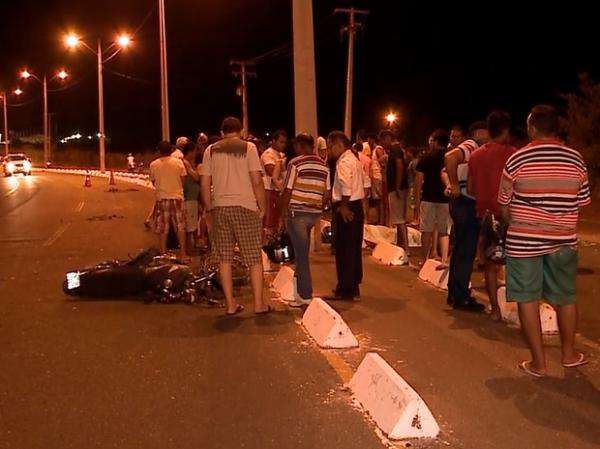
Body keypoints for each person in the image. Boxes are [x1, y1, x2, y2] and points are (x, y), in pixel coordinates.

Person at [498, 105, 591, 377]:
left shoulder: (518, 158)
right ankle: (569, 354)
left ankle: (539, 363)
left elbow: (503, 202)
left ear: (532, 128)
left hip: (523, 241)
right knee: (565, 297)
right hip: (562, 239)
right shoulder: (575, 158)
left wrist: (512, 220)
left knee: (527, 299)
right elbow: (582, 200)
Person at [200, 117, 270, 316]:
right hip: (246, 207)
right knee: (253, 258)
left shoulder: (210, 150)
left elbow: (205, 184)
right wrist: (262, 207)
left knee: (224, 259)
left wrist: (208, 209)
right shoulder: (249, 148)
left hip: (220, 208)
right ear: (241, 130)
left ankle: (231, 304)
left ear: (222, 132)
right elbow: (256, 181)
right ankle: (258, 304)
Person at [468, 111, 516, 320]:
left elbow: (470, 188)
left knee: (490, 264)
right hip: (511, 215)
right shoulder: (514, 154)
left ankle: (495, 309)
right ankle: (520, 309)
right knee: (516, 263)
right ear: (505, 130)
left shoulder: (476, 156)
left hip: (485, 215)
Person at [279, 133, 331, 306]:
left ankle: (305, 294)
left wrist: (283, 212)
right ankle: (298, 292)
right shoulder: (324, 166)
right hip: (314, 214)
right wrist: (316, 204)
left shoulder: (295, 163)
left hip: (297, 213)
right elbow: (327, 193)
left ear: (300, 146)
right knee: (301, 250)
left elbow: (287, 189)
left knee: (301, 256)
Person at [443, 121, 489, 311]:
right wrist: (454, 184)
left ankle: (455, 292)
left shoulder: (472, 148)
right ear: (478, 132)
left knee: (461, 247)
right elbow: (450, 157)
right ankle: (461, 295)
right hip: (465, 203)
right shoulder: (471, 146)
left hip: (460, 202)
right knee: (466, 250)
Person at [324, 131, 365, 301]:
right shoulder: (354, 160)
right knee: (353, 249)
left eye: (330, 146)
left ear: (339, 145)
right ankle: (353, 287)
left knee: (344, 250)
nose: (329, 151)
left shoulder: (343, 162)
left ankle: (345, 290)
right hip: (356, 205)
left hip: (347, 206)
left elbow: (346, 185)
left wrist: (343, 206)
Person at [415, 130, 450, 266]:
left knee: (426, 230)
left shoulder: (425, 157)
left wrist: (417, 200)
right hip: (445, 199)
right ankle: (444, 260)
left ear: (435, 142)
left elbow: (418, 180)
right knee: (444, 230)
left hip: (428, 198)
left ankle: (425, 259)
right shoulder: (449, 157)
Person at [149, 141, 187, 260]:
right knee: (180, 227)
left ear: (159, 151)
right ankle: (183, 254)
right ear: (171, 150)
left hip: (162, 198)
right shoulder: (178, 162)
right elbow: (183, 179)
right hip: (177, 198)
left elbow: (154, 182)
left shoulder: (154, 164)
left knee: (162, 228)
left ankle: (163, 254)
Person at [386, 140, 410, 263]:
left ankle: (405, 247)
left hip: (397, 188)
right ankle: (401, 245)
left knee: (399, 219)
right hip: (401, 187)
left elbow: (399, 166)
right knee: (400, 219)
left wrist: (397, 186)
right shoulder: (399, 149)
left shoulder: (395, 149)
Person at [261, 130, 288, 234]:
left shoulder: (281, 155)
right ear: (273, 141)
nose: (283, 145)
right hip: (269, 191)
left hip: (277, 191)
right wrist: (281, 168)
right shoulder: (268, 154)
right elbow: (270, 171)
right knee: (269, 221)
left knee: (277, 221)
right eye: (281, 142)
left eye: (284, 142)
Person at [182, 141, 200, 252]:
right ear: (190, 152)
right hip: (189, 198)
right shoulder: (185, 163)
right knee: (190, 227)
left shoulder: (187, 163)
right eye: (194, 152)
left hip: (191, 197)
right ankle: (190, 250)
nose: (195, 155)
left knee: (191, 226)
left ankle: (190, 248)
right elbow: (197, 178)